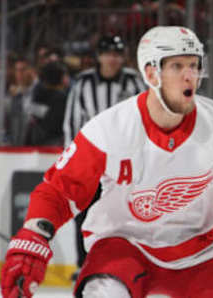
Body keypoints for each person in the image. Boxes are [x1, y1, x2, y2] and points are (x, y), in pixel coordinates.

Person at [0, 26, 213, 298]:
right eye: (177, 66)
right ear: (150, 73)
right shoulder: (109, 130)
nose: (190, 76)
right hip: (123, 247)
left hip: (199, 253)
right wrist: (35, 235)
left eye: (194, 66)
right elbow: (60, 191)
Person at [63, 34, 145, 280]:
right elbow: (72, 124)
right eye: (108, 54)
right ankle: (84, 263)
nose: (112, 59)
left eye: (117, 54)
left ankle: (128, 262)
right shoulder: (83, 83)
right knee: (86, 213)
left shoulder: (133, 82)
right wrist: (73, 162)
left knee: (126, 216)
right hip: (91, 162)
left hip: (126, 164)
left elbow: (145, 119)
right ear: (98, 56)